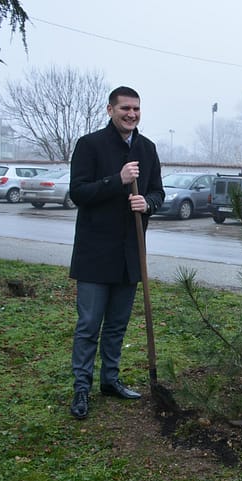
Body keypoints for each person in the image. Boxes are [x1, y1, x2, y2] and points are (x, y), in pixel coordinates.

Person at [68, 86, 164, 419]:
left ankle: (110, 380)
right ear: (110, 109)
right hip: (95, 253)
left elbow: (158, 193)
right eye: (125, 108)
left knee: (117, 325)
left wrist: (147, 203)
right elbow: (78, 193)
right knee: (89, 324)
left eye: (136, 109)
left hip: (130, 253)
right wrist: (117, 181)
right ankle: (82, 389)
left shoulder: (147, 148)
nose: (131, 114)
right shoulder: (90, 145)